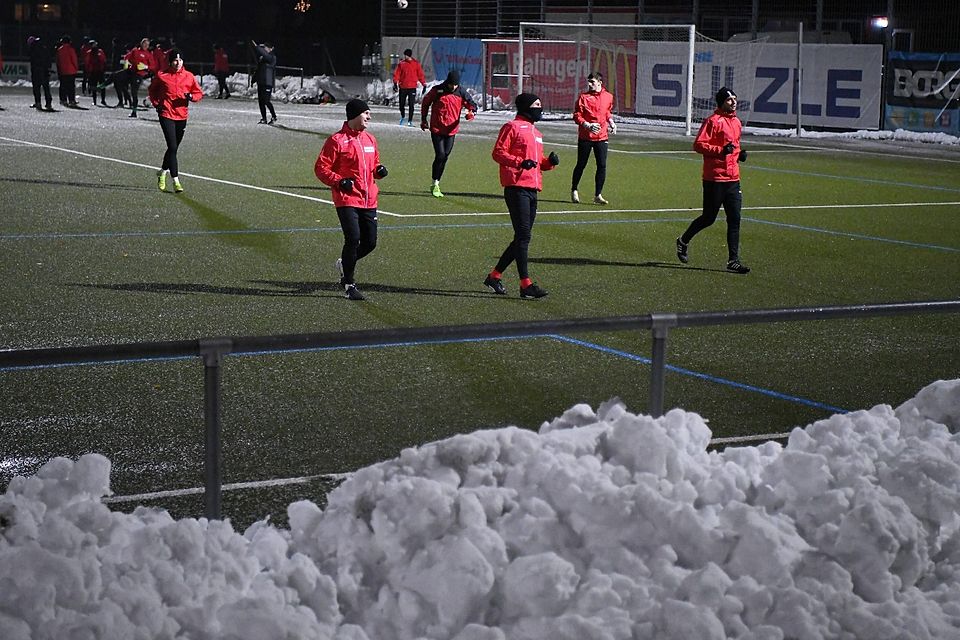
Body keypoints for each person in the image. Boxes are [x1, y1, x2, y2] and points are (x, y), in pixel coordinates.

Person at [484, 93, 560, 299]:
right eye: (537, 105)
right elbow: (498, 153)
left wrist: (549, 162)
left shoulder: (536, 132)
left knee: (521, 237)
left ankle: (495, 276)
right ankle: (525, 284)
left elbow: (536, 162)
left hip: (532, 188)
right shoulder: (512, 127)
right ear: (526, 107)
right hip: (517, 187)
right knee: (524, 236)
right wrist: (519, 162)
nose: (540, 109)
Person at [314, 99, 389, 301]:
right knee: (353, 238)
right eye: (366, 113)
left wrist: (379, 171)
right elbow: (321, 168)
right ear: (355, 115)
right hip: (347, 199)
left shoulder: (371, 140)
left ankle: (344, 264)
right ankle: (349, 284)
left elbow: (374, 165)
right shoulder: (336, 141)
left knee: (370, 243)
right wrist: (339, 181)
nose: (369, 117)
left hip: (369, 199)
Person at [676, 87, 750, 274]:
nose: (733, 102)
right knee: (709, 218)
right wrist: (720, 151)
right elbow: (699, 145)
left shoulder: (737, 122)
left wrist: (738, 154)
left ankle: (733, 260)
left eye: (734, 98)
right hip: (715, 178)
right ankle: (683, 241)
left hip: (733, 179)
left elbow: (732, 146)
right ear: (721, 102)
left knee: (735, 219)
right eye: (729, 99)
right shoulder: (713, 121)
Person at [148, 48, 203, 194]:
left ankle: (162, 172)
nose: (177, 63)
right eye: (175, 60)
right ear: (170, 61)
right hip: (166, 114)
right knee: (172, 146)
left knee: (173, 148)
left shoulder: (189, 76)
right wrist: (156, 104)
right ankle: (176, 180)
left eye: (180, 60)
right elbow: (152, 90)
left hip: (182, 116)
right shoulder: (162, 75)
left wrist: (191, 97)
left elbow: (198, 93)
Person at [419, 69, 478, 198]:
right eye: (452, 84)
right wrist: (423, 120)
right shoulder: (437, 90)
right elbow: (426, 103)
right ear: (447, 82)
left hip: (451, 130)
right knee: (440, 155)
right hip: (437, 129)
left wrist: (471, 113)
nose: (453, 87)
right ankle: (434, 183)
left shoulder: (461, 92)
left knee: (445, 156)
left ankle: (437, 182)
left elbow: (472, 105)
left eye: (456, 85)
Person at [571, 72, 617, 205]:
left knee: (602, 165)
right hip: (586, 136)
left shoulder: (608, 97)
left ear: (599, 82)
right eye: (589, 82)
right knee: (581, 164)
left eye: (592, 82)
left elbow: (607, 112)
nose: (590, 84)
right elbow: (576, 115)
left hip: (602, 136)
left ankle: (598, 194)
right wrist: (587, 125)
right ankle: (574, 189)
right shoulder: (583, 97)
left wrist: (612, 122)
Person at [392, 48, 425, 126]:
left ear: (408, 55)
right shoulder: (401, 64)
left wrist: (424, 84)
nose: (405, 57)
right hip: (403, 87)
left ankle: (410, 120)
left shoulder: (416, 64)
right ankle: (403, 116)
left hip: (412, 87)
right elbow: (397, 74)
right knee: (401, 104)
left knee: (411, 105)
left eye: (406, 55)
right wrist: (395, 83)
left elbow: (420, 75)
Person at [125, 38, 153, 118]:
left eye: (147, 45)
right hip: (131, 72)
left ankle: (134, 111)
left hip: (139, 75)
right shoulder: (135, 50)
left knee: (134, 93)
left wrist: (146, 66)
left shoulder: (148, 54)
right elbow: (127, 57)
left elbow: (153, 66)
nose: (146, 46)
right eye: (144, 44)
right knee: (118, 78)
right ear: (141, 43)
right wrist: (127, 63)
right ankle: (101, 86)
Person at [252, 40, 277, 124]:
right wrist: (254, 79)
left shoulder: (272, 57)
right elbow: (258, 69)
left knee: (266, 101)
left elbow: (267, 56)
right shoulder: (262, 58)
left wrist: (257, 47)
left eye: (266, 47)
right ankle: (264, 118)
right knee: (261, 102)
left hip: (268, 82)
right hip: (261, 82)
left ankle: (274, 116)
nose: (265, 49)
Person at [28, 36, 54, 111]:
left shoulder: (33, 49)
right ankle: (48, 104)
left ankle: (38, 102)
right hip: (45, 70)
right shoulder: (44, 48)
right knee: (46, 88)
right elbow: (49, 58)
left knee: (36, 88)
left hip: (36, 71)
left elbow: (33, 61)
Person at [56, 35, 79, 107]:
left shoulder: (59, 50)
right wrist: (76, 68)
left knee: (63, 86)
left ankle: (63, 100)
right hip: (71, 70)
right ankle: (71, 100)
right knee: (71, 87)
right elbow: (74, 60)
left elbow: (58, 61)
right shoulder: (71, 49)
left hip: (63, 71)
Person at [86, 40, 107, 106]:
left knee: (93, 86)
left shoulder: (89, 53)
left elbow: (87, 62)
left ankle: (94, 101)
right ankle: (103, 100)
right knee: (102, 85)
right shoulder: (100, 51)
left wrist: (88, 71)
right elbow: (104, 60)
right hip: (100, 71)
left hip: (93, 72)